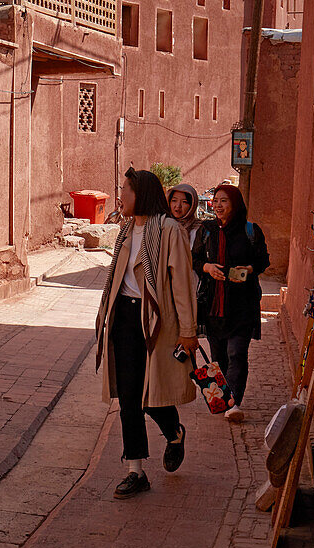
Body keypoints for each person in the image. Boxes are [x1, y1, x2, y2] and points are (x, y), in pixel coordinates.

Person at [96, 168, 200, 499]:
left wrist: (188, 330)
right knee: (129, 397)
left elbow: (183, 283)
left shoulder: (169, 230)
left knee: (151, 394)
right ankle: (135, 471)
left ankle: (174, 432)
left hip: (157, 323)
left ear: (140, 193)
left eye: (125, 190)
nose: (120, 196)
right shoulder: (126, 230)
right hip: (124, 318)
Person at [192, 184, 270, 422]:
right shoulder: (205, 231)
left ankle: (233, 403)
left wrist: (249, 268)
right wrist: (207, 267)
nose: (217, 205)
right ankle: (223, 399)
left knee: (237, 353)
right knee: (219, 358)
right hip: (214, 304)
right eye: (215, 201)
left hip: (242, 305)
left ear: (235, 204)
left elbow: (263, 260)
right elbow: (194, 259)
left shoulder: (250, 231)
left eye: (223, 201)